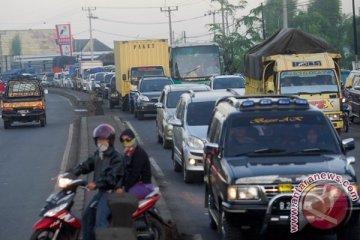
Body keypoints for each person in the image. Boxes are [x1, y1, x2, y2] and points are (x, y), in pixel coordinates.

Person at [67, 123, 125, 240]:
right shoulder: (98, 155)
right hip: (102, 193)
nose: (101, 142)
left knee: (100, 223)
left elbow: (112, 178)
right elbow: (85, 165)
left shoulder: (116, 158)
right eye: (99, 140)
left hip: (112, 194)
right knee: (87, 218)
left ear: (110, 140)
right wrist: (69, 173)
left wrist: (96, 184)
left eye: (104, 139)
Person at [120, 129, 154, 200]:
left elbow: (135, 173)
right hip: (136, 184)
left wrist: (125, 188)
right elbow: (124, 169)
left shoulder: (139, 153)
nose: (125, 142)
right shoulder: (129, 153)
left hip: (144, 186)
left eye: (128, 140)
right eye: (123, 141)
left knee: (123, 198)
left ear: (133, 139)